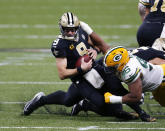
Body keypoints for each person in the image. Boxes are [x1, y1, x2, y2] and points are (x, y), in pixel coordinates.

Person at [23, 12, 154, 121]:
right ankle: (44, 100)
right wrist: (81, 69)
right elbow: (62, 74)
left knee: (115, 89)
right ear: (61, 28)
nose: (69, 33)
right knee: (95, 104)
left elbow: (98, 45)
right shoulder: (59, 45)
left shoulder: (82, 31)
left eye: (72, 29)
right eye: (67, 30)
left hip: (94, 67)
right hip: (79, 78)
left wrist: (95, 51)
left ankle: (141, 112)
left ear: (77, 27)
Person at [103, 46, 165, 113]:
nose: (111, 70)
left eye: (113, 67)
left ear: (122, 64)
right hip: (156, 86)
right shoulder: (127, 61)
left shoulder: (129, 70)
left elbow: (136, 97)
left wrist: (113, 99)